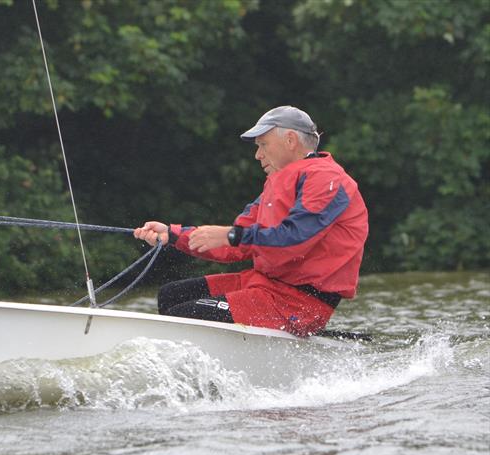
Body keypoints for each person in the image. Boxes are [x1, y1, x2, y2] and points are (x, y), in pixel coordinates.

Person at [134, 105, 368, 336]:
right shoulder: (278, 181)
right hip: (266, 286)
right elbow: (237, 244)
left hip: (298, 303)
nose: (258, 154)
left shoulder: (326, 178)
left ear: (290, 140)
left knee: (184, 313)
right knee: (172, 294)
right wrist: (173, 235)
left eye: (263, 145)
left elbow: (295, 239)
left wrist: (230, 235)